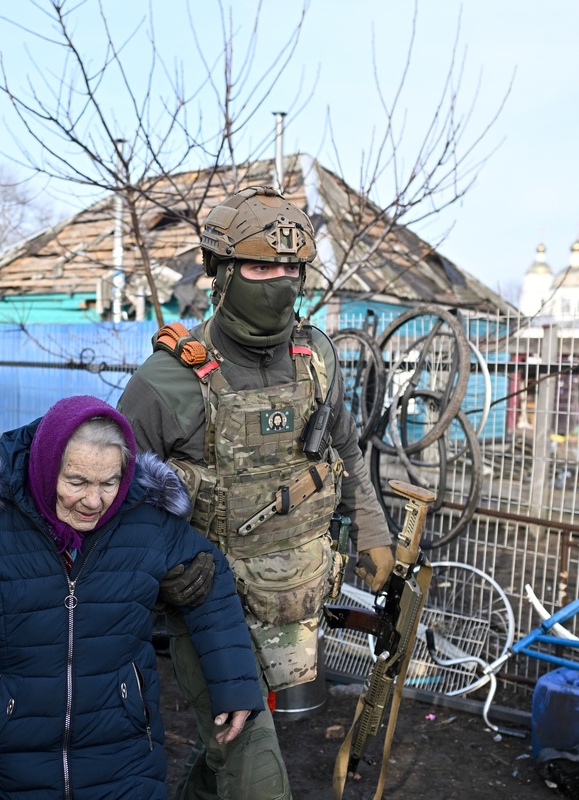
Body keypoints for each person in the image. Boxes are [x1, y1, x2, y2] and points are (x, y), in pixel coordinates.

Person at [116, 186, 397, 800]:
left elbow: (346, 453)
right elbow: (116, 499)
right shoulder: (168, 379)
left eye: (291, 268)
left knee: (228, 764)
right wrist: (168, 563)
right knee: (256, 772)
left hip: (295, 595)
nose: (279, 281)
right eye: (260, 266)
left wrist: (374, 531)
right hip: (208, 608)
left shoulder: (316, 358)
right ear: (220, 271)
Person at [0, 395, 264, 799]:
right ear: (45, 465)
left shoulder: (147, 516)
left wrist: (235, 686)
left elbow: (210, 584)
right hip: (0, 757)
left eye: (109, 482)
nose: (94, 501)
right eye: (77, 482)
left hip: (122, 752)